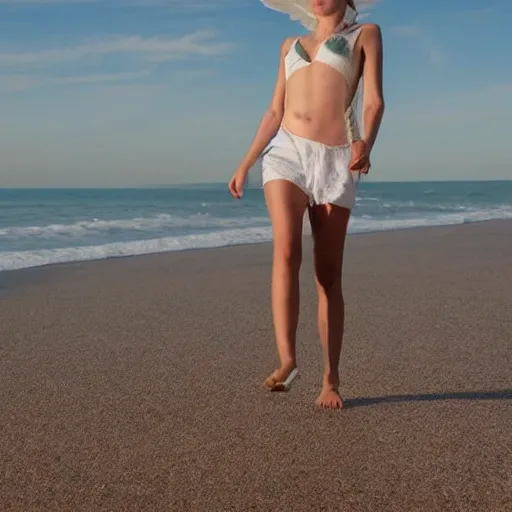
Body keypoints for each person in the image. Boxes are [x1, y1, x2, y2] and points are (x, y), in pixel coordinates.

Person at [228, 0, 384, 409]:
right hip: (287, 152)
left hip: (336, 159)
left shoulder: (364, 35)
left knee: (327, 276)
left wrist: (366, 145)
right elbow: (274, 110)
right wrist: (246, 162)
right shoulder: (288, 44)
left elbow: (373, 102)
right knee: (286, 250)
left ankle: (330, 379)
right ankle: (287, 359)